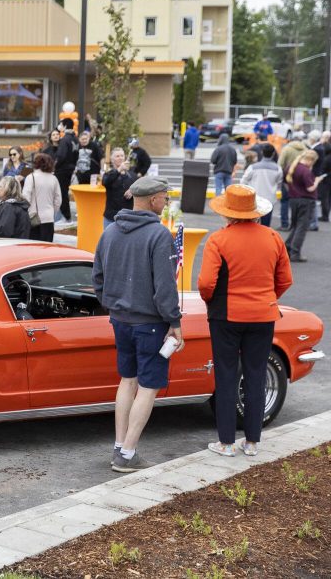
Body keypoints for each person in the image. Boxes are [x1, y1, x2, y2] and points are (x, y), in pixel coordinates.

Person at [93, 176, 183, 473]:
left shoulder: (110, 232)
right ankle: (128, 454)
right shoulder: (159, 235)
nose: (166, 202)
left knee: (127, 380)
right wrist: (175, 322)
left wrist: (112, 303)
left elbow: (97, 279)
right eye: (165, 197)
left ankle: (119, 445)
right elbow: (165, 287)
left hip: (120, 319)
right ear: (153, 199)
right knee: (149, 386)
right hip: (151, 322)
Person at [198, 184, 291, 458]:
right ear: (254, 213)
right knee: (256, 374)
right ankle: (252, 442)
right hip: (263, 314)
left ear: (228, 214)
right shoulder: (273, 237)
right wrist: (267, 297)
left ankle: (226, 443)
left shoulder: (219, 240)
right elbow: (285, 279)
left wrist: (211, 300)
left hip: (226, 315)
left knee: (226, 376)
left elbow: (205, 283)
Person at [285, 150, 323, 262]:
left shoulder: (291, 167)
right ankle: (295, 253)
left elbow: (286, 182)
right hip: (306, 201)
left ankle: (287, 248)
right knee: (302, 227)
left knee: (296, 225)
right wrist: (317, 181)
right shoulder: (306, 171)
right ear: (311, 160)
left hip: (293, 199)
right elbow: (310, 188)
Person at [23, 153, 62, 242]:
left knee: (33, 248)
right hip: (48, 218)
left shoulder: (31, 177)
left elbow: (26, 197)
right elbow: (58, 200)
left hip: (33, 218)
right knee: (47, 247)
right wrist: (52, 211)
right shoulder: (54, 178)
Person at [240, 144, 281, 227]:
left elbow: (243, 182)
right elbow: (279, 183)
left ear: (262, 153)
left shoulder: (253, 167)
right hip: (269, 200)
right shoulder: (278, 168)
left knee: (252, 225)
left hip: (254, 199)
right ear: (273, 154)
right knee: (265, 226)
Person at [277, 131, 308, 230]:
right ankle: (297, 224)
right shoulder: (305, 149)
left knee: (285, 201)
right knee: (299, 200)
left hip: (288, 178)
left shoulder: (287, 149)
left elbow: (280, 164)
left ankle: (285, 224)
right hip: (301, 178)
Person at [102, 148, 135, 229]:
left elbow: (140, 186)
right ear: (112, 159)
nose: (120, 158)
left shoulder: (131, 174)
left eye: (122, 156)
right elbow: (105, 182)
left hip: (128, 217)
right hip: (111, 217)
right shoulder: (108, 173)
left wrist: (133, 190)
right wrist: (119, 169)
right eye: (117, 156)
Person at [53, 120, 78, 221]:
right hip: (70, 169)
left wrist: (54, 166)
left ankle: (65, 216)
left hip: (62, 170)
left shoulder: (65, 140)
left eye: (61, 124)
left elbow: (61, 156)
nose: (59, 126)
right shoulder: (75, 139)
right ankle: (65, 216)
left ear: (65, 126)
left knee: (61, 193)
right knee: (64, 192)